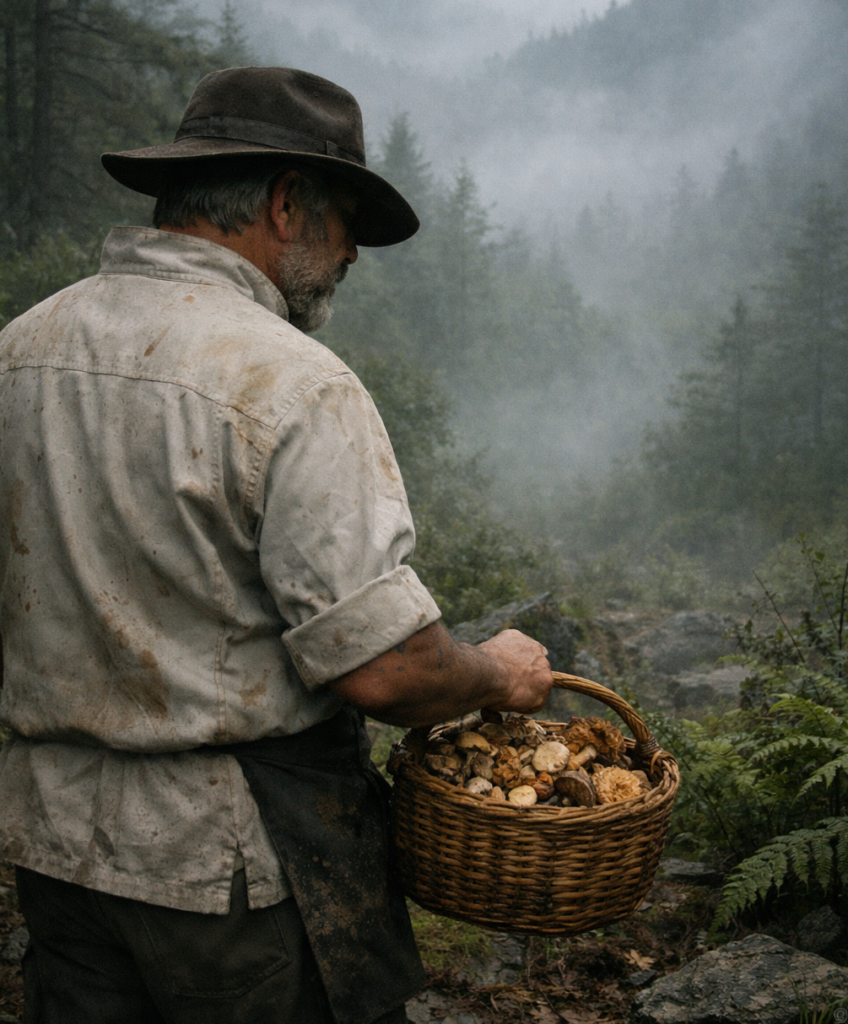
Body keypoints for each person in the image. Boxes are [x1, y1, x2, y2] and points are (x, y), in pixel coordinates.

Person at [0, 66, 552, 1024]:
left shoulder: (20, 350)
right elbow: (387, 672)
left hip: (54, 849)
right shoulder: (292, 383)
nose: (351, 256)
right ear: (288, 204)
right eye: (346, 225)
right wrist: (498, 673)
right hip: (229, 873)